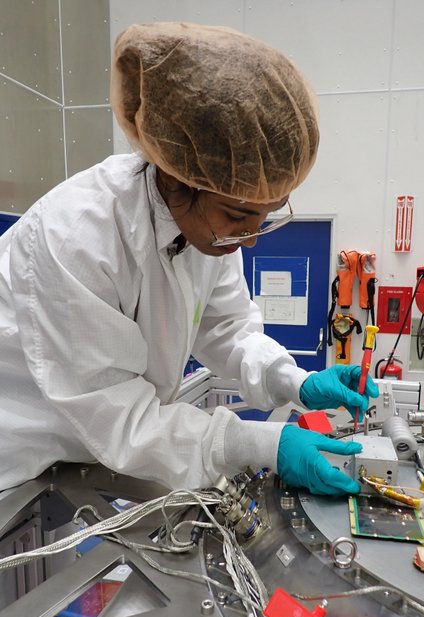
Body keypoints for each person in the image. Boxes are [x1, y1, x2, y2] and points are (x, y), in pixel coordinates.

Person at [0, 22, 378, 496]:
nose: (250, 239)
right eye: (239, 215)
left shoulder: (205, 232)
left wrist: (296, 382)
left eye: (265, 216)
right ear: (181, 178)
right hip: (17, 462)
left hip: (77, 458)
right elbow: (121, 418)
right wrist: (260, 444)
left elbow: (228, 330)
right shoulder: (78, 238)